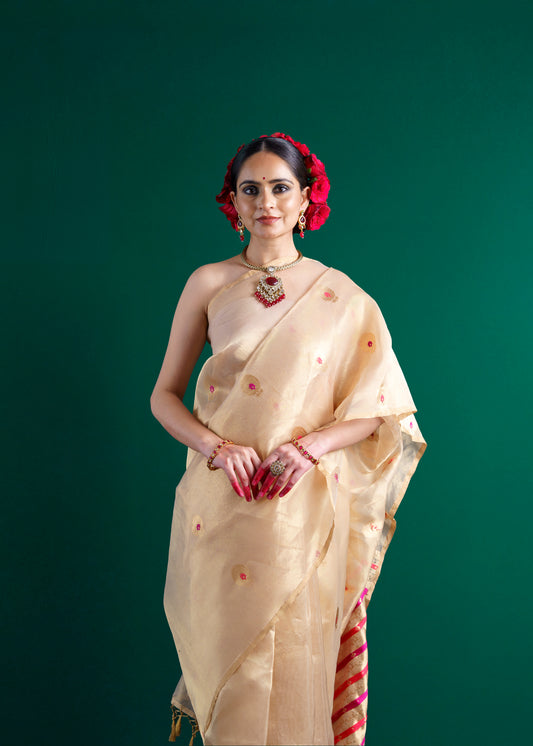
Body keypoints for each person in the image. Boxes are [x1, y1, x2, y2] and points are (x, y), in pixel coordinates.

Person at [150, 132, 426, 746]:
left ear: (306, 199)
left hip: (301, 512)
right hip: (220, 510)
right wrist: (217, 448)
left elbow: (379, 409)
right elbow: (163, 395)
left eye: (280, 188)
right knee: (231, 682)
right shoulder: (208, 283)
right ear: (234, 201)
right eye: (250, 189)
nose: (266, 202)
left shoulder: (343, 296)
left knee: (298, 668)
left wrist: (309, 449)